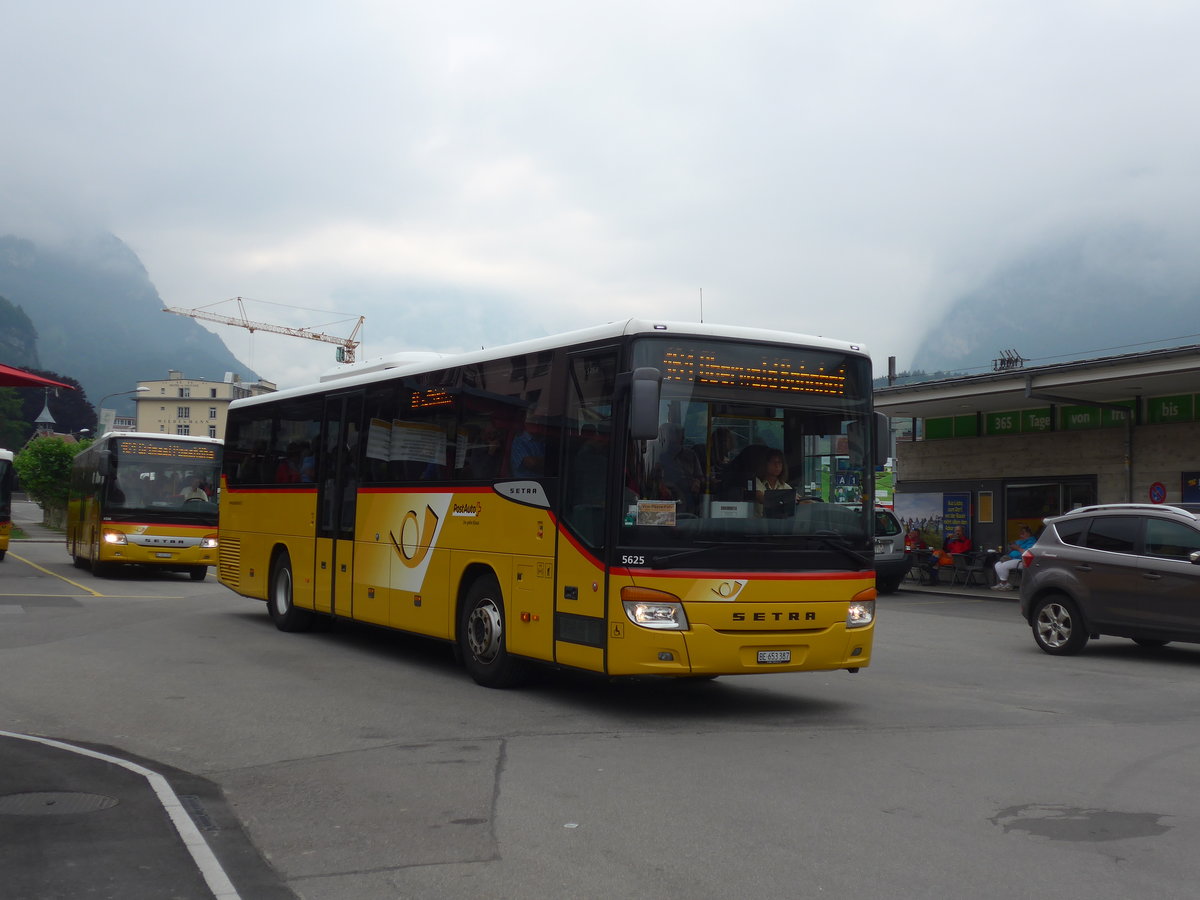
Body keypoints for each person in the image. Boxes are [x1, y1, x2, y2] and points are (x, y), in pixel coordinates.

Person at [991, 524, 1036, 591]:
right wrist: (1011, 547)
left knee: (1004, 565)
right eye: (1020, 534)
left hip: (1023, 561)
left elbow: (1028, 554)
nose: (1021, 535)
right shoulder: (1020, 541)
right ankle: (1004, 584)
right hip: (1012, 558)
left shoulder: (1032, 541)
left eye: (1023, 534)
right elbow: (1011, 548)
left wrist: (1017, 548)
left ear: (1028, 534)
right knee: (998, 564)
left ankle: (1004, 584)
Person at [753, 448, 794, 516]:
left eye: (779, 462)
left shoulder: (784, 486)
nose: (777, 465)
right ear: (765, 464)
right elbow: (761, 498)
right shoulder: (756, 482)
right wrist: (787, 499)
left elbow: (798, 499)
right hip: (757, 525)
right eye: (773, 462)